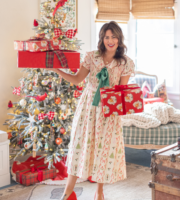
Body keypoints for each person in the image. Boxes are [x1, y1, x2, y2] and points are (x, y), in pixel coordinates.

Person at [48, 21, 135, 200]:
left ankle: (99, 192)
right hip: (88, 107)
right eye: (106, 37)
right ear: (102, 39)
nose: (110, 40)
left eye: (113, 37)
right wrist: (56, 70)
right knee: (79, 146)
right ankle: (67, 192)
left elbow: (120, 90)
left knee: (103, 149)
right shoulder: (91, 57)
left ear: (119, 39)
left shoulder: (125, 63)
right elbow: (77, 79)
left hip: (108, 110)